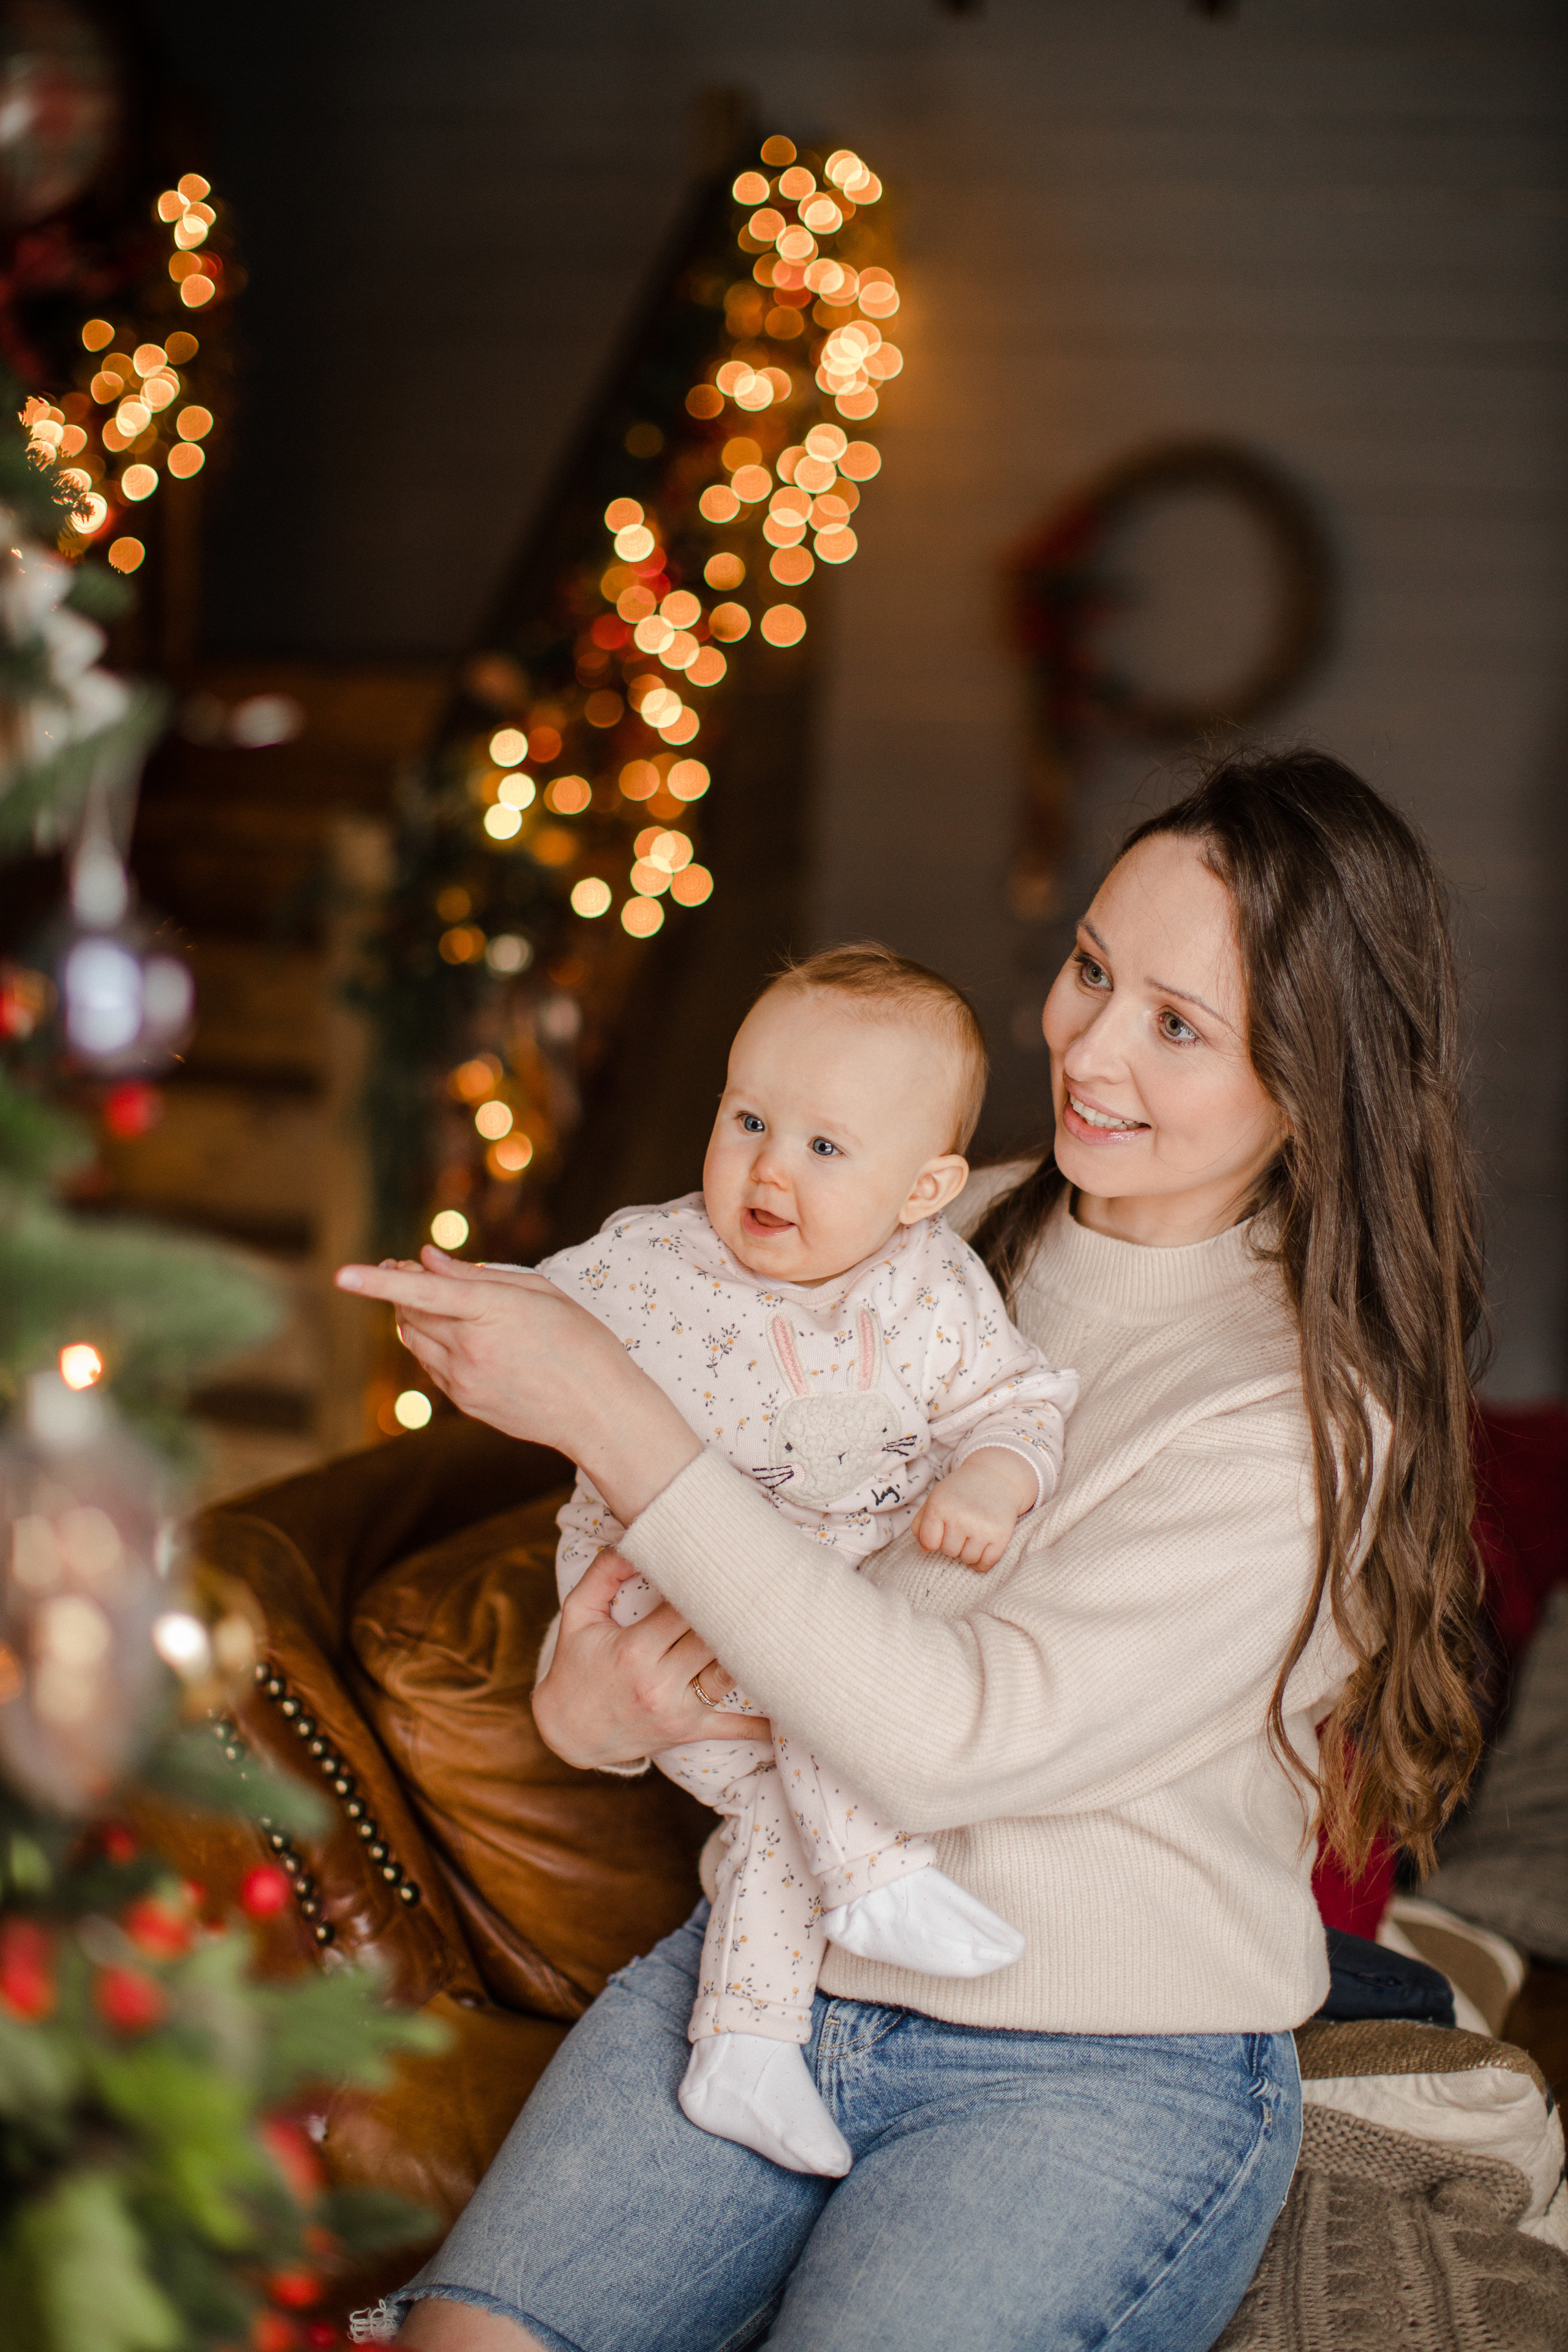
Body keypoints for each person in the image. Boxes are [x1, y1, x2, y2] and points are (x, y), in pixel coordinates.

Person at [339, 750, 1486, 2352]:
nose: (1088, 1047)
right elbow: (690, 1546)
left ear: (1312, 1078)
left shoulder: (1300, 1416)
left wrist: (611, 1410)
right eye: (1091, 970)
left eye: (1177, 1025)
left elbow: (949, 1739)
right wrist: (580, 1713)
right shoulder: (927, 1227)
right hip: (766, 1971)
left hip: (1095, 2064)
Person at [527, 945, 1077, 2178]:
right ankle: (870, 1877)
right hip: (660, 1615)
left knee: (786, 1796)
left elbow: (1019, 1401)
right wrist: (453, 1303)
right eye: (748, 1120)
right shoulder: (654, 1264)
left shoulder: (932, 1288)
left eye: (825, 1146)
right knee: (807, 1703)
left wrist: (992, 1476)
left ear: (923, 1189)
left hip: (814, 1628)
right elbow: (530, 1319)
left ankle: (743, 2047)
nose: (769, 1167)